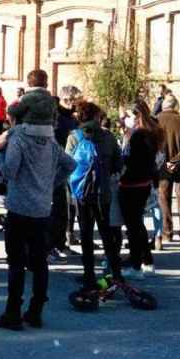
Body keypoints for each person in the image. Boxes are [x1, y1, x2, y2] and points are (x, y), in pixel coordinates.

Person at [0, 111, 76, 330]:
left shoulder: (19, 140)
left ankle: (13, 312)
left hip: (20, 206)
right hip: (41, 208)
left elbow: (10, 171)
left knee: (16, 262)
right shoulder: (50, 142)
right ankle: (36, 311)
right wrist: (51, 183)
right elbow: (70, 165)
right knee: (39, 263)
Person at [66, 101, 125, 291]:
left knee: (86, 233)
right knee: (107, 234)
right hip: (104, 192)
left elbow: (67, 164)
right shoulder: (108, 136)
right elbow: (118, 164)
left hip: (82, 192)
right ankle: (115, 274)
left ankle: (88, 274)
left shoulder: (74, 137)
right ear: (96, 117)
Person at [119, 100, 161, 277]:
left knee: (133, 226)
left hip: (132, 184)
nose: (125, 119)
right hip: (143, 183)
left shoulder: (138, 135)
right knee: (138, 224)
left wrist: (120, 159)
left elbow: (132, 160)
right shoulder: (152, 132)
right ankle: (147, 261)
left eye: (128, 116)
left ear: (137, 116)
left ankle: (135, 265)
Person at [156, 94, 180, 243]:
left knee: (163, 200)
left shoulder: (156, 121)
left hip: (161, 167)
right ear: (176, 106)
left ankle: (167, 233)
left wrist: (166, 161)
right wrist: (176, 160)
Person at [51, 88, 80, 257]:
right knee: (60, 207)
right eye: (74, 100)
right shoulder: (61, 119)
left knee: (67, 207)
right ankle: (57, 243)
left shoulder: (69, 117)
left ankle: (63, 241)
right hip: (60, 166)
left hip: (68, 165)